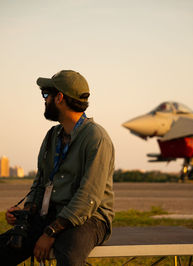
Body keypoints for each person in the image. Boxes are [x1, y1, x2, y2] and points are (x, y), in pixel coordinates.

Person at [0, 70, 115, 265]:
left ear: (59, 97)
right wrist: (26, 212)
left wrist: (50, 232)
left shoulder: (96, 138)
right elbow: (40, 183)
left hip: (91, 218)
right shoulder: (52, 136)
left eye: (46, 95)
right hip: (53, 214)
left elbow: (88, 197)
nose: (44, 100)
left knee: (68, 255)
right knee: (7, 246)